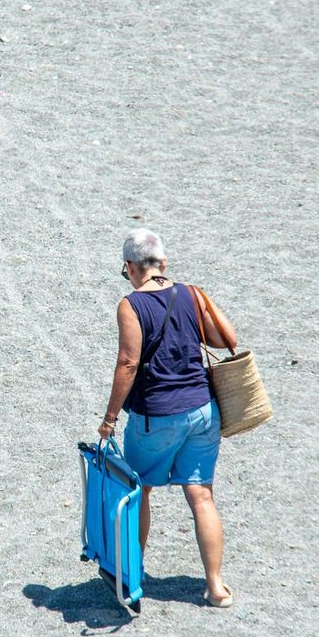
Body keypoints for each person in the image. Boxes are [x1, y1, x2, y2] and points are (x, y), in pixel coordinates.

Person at [98, 228, 240, 607]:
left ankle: (132, 574)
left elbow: (128, 363)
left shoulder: (131, 305)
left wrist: (110, 418)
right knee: (201, 496)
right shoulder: (190, 293)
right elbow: (225, 338)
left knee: (139, 489)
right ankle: (216, 587)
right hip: (203, 411)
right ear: (163, 262)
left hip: (156, 417)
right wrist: (196, 298)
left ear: (130, 267)